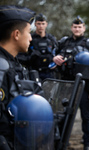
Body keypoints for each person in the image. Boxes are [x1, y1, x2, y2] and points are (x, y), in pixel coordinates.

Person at [0, 5, 44, 149]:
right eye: (29, 32)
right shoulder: (2, 66)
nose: (31, 38)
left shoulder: (11, 63)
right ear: (16, 34)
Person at [53, 16, 89, 150]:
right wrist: (54, 57)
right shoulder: (64, 42)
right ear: (71, 28)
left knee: (86, 115)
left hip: (84, 86)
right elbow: (53, 56)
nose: (77, 29)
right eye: (75, 26)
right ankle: (62, 141)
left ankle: (88, 143)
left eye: (80, 27)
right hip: (66, 84)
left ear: (84, 28)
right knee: (62, 114)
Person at [17, 13, 58, 81]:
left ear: (46, 24)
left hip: (49, 73)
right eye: (39, 24)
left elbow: (57, 54)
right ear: (35, 24)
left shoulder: (51, 39)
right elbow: (19, 57)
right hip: (33, 72)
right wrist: (31, 57)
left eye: (43, 24)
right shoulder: (29, 38)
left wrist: (53, 59)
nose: (41, 26)